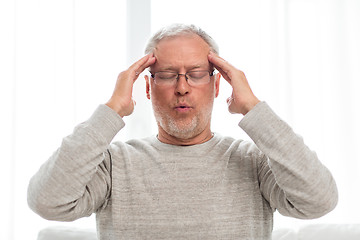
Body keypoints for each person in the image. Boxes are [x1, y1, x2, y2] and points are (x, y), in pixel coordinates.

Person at [27, 24, 338, 240]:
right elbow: (47, 201)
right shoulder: (114, 163)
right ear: (147, 87)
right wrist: (111, 111)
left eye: (196, 74)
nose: (182, 87)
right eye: (166, 75)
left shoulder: (254, 161)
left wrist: (254, 108)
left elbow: (320, 200)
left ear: (217, 85)